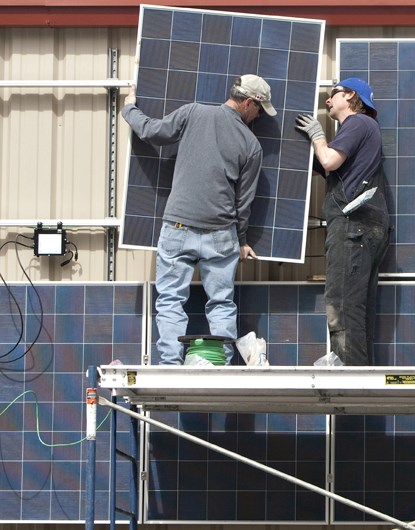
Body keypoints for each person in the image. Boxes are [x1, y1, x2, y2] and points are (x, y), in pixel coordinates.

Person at [122, 74, 276, 365]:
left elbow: (153, 132)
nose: (258, 116)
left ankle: (170, 365)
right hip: (221, 234)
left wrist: (129, 107)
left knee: (170, 300)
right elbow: (244, 202)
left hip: (178, 227)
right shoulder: (251, 144)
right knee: (221, 303)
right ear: (248, 103)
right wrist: (241, 240)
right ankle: (220, 365)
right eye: (259, 109)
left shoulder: (193, 112)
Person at [295, 78, 390, 366]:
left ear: (350, 96)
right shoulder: (363, 131)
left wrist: (316, 135)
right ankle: (358, 373)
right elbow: (329, 168)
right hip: (364, 227)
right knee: (356, 308)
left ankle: (349, 377)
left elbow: (329, 162)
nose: (327, 101)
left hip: (354, 227)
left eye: (333, 94)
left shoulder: (358, 123)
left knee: (343, 304)